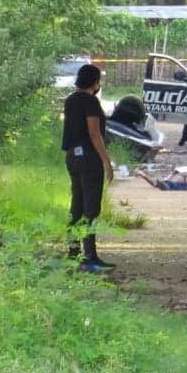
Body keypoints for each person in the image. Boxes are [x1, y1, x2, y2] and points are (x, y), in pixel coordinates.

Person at [62, 63, 115, 273]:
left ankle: (73, 252)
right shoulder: (91, 102)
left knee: (76, 205)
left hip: (72, 157)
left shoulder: (70, 100)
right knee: (91, 207)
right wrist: (106, 161)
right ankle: (90, 255)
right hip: (89, 159)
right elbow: (94, 133)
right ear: (94, 82)